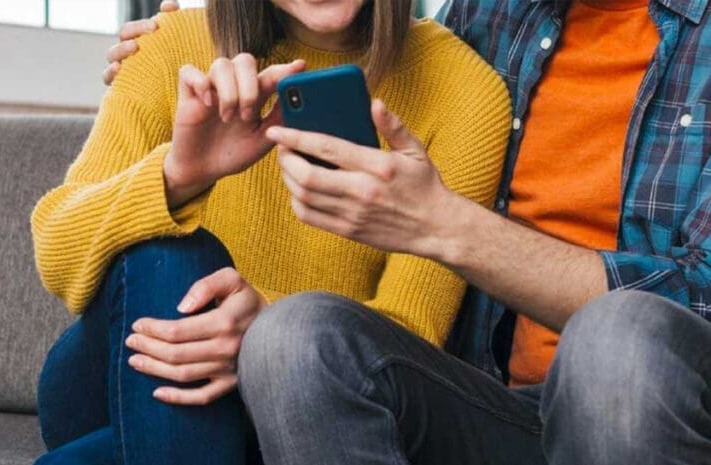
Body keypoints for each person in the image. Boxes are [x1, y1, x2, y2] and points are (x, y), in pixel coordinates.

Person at [107, 0, 711, 464]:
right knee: (291, 334)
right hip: (486, 409)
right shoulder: (490, 14)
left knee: (615, 338)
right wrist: (184, 41)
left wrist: (446, 227)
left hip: (658, 408)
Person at [32, 0, 512, 464]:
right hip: (113, 375)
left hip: (299, 408)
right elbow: (56, 244)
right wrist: (180, 175)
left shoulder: (465, 92)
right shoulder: (174, 46)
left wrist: (263, 328)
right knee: (178, 258)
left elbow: (412, 340)